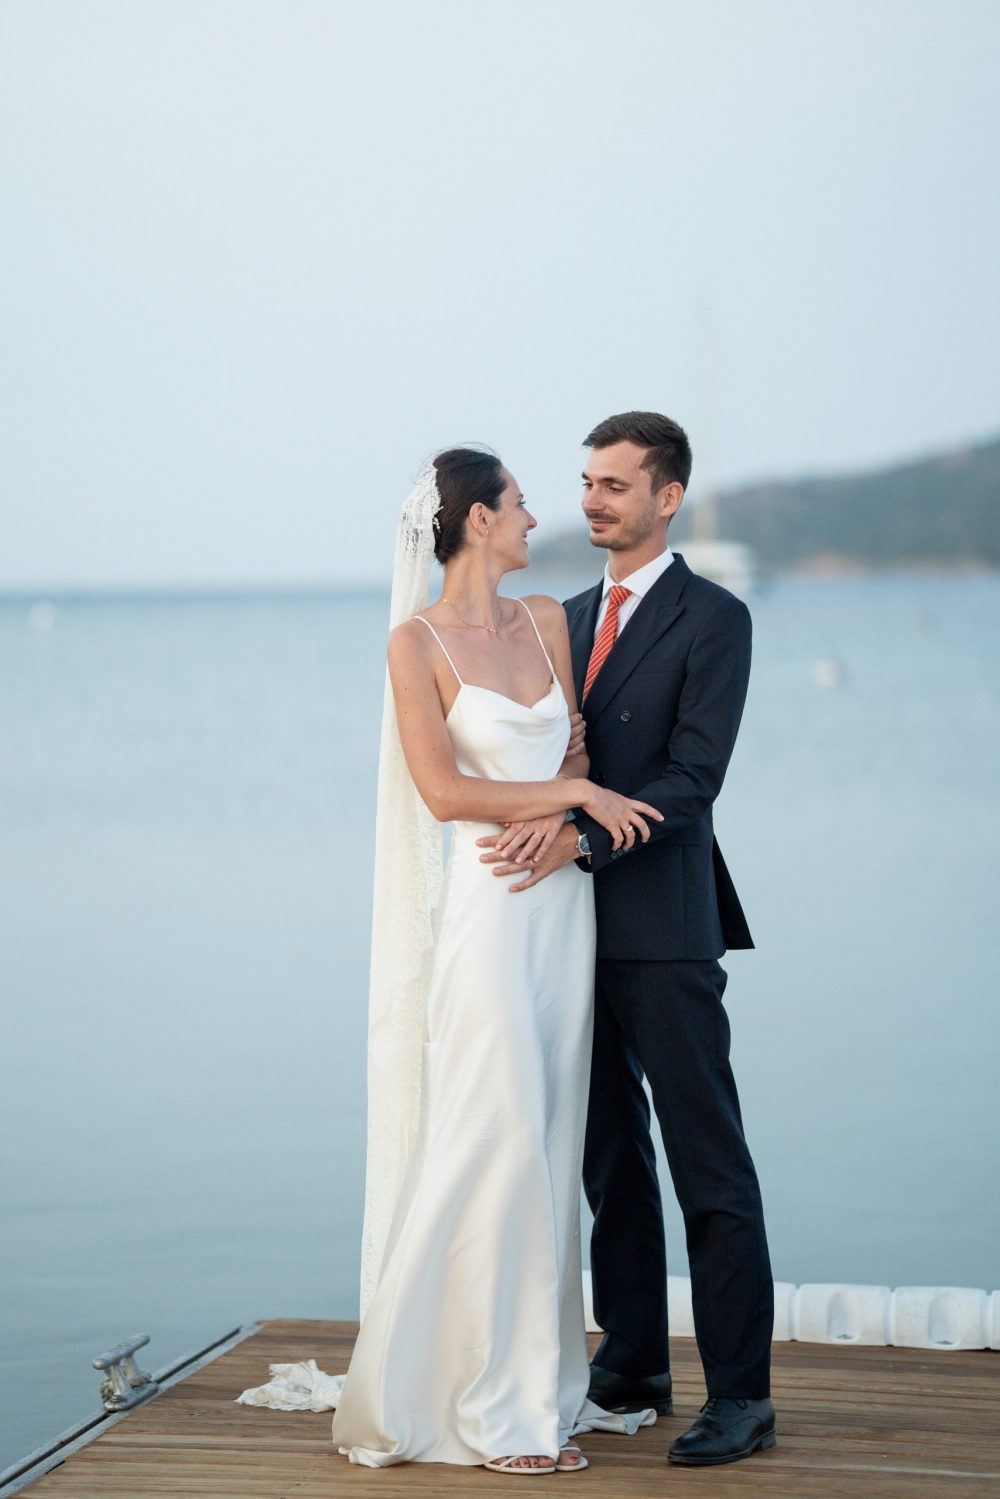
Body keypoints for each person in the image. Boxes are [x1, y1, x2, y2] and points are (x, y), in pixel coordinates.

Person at [237, 448, 662, 1473]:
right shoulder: (414, 641)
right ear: (477, 519)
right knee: (493, 1135)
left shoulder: (547, 620)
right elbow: (443, 792)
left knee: (548, 1145)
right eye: (519, 503)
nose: (536, 518)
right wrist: (574, 799)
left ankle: (535, 1391)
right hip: (488, 905)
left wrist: (563, 808)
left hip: (559, 902)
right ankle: (480, 1405)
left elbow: (570, 751)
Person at [477, 412, 777, 1467]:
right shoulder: (558, 618)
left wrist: (580, 840)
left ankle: (741, 1394)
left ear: (667, 496)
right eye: (586, 482)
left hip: (664, 926)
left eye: (614, 484)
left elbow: (693, 779)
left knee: (707, 1159)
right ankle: (635, 1359)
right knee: (607, 1158)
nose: (592, 500)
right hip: (563, 929)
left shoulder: (716, 618)